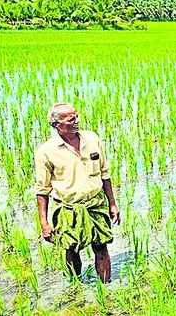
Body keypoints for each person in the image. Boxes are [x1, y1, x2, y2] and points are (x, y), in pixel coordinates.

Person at [35, 103, 121, 282]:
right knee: (71, 249)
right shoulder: (46, 151)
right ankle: (75, 288)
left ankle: (106, 289)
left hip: (96, 204)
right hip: (68, 208)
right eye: (71, 119)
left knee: (101, 247)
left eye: (77, 116)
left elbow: (105, 173)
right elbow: (42, 190)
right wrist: (44, 223)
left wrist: (112, 203)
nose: (77, 121)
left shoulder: (92, 138)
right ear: (56, 125)